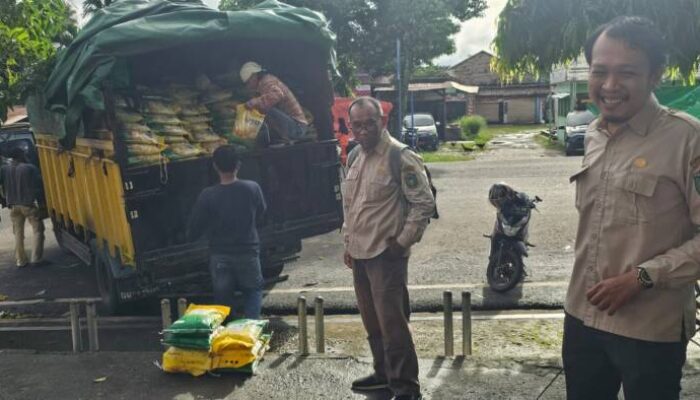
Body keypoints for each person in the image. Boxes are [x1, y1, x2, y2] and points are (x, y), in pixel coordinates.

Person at [564, 16, 700, 400]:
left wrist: (641, 277)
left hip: (649, 329)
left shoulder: (687, 140)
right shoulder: (593, 133)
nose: (609, 86)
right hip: (582, 317)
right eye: (600, 71)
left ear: (655, 76)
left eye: (626, 73)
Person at [342, 97, 435, 400]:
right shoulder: (355, 155)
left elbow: (423, 204)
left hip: (386, 255)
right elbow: (352, 205)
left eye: (370, 122)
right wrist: (348, 243)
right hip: (360, 255)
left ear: (383, 122)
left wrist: (402, 242)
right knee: (372, 320)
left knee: (393, 324)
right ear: (350, 127)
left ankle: (406, 387)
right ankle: (384, 374)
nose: (364, 129)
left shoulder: (399, 155)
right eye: (358, 125)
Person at [187, 145, 267, 319]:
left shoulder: (207, 195)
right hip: (248, 251)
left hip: (220, 255)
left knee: (223, 303)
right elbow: (261, 213)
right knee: (253, 291)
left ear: (215, 166)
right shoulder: (252, 188)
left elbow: (195, 227)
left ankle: (227, 339)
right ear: (238, 165)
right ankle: (251, 332)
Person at [239, 61, 309, 143]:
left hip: (297, 127)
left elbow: (277, 95)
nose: (248, 86)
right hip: (292, 126)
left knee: (262, 108)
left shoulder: (267, 82)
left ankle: (256, 140)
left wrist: (254, 102)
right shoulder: (261, 86)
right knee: (260, 108)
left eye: (248, 82)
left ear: (254, 76)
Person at [0, 147, 45, 268]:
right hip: (28, 205)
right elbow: (39, 186)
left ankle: (20, 260)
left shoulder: (4, 169)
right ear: (20, 155)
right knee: (38, 230)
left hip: (13, 206)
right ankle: (36, 258)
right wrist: (41, 203)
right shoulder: (29, 168)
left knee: (18, 233)